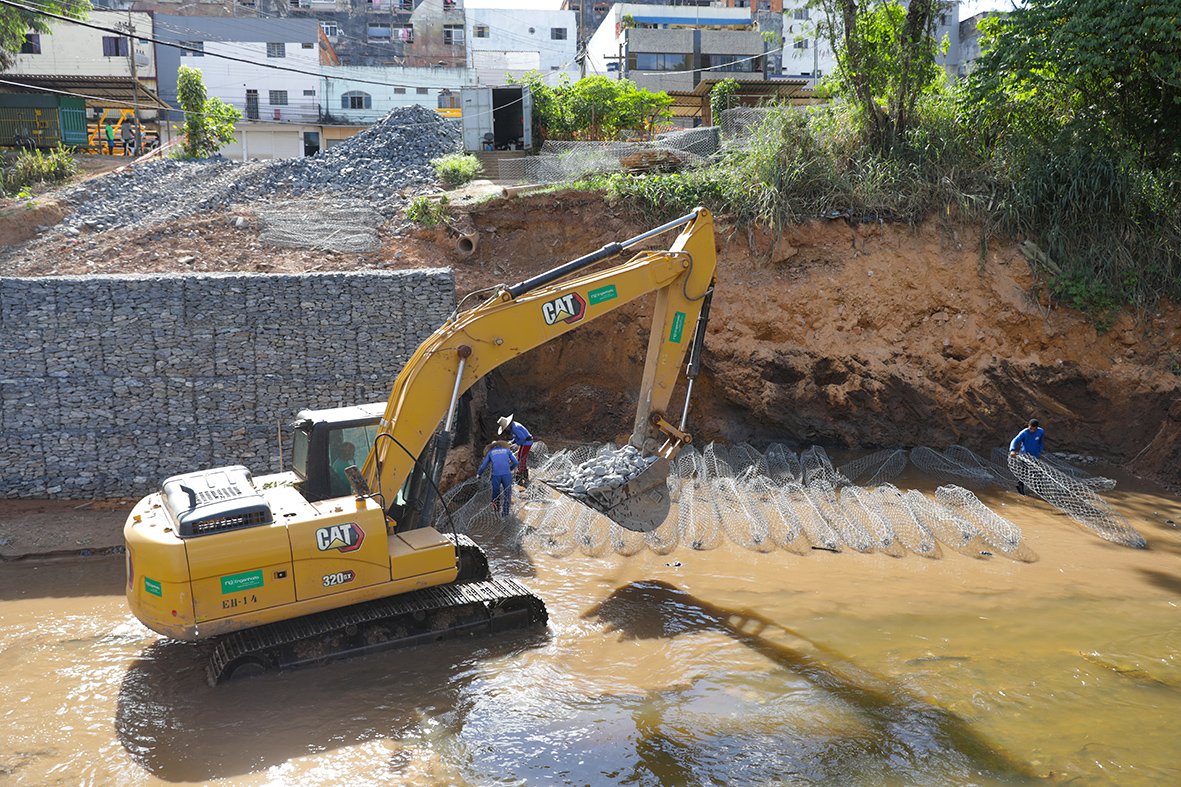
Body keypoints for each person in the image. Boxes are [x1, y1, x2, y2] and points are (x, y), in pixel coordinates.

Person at [478, 440, 518, 517]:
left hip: (496, 475)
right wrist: (510, 469)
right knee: (507, 493)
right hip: (507, 474)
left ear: (492, 447)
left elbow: (483, 466)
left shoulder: (490, 453)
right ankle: (505, 514)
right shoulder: (507, 451)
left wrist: (479, 474)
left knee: (495, 493)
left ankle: (496, 512)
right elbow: (516, 462)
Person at [1009, 418, 1045, 495]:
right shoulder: (1024, 433)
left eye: (1033, 429)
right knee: (1023, 474)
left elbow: (1041, 442)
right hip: (1024, 456)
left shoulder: (1041, 431)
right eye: (1030, 428)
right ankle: (1020, 488)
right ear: (1028, 425)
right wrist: (1012, 450)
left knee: (1037, 474)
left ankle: (1038, 490)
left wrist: (1040, 450)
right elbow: (1015, 440)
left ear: (1036, 428)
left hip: (1035, 457)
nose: (1031, 430)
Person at [497, 414, 533, 485]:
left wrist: (516, 444)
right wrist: (511, 442)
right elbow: (517, 437)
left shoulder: (514, 428)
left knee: (520, 458)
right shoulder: (514, 425)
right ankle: (524, 474)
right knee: (521, 458)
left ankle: (519, 476)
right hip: (526, 442)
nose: (506, 430)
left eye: (505, 428)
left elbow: (522, 438)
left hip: (526, 443)